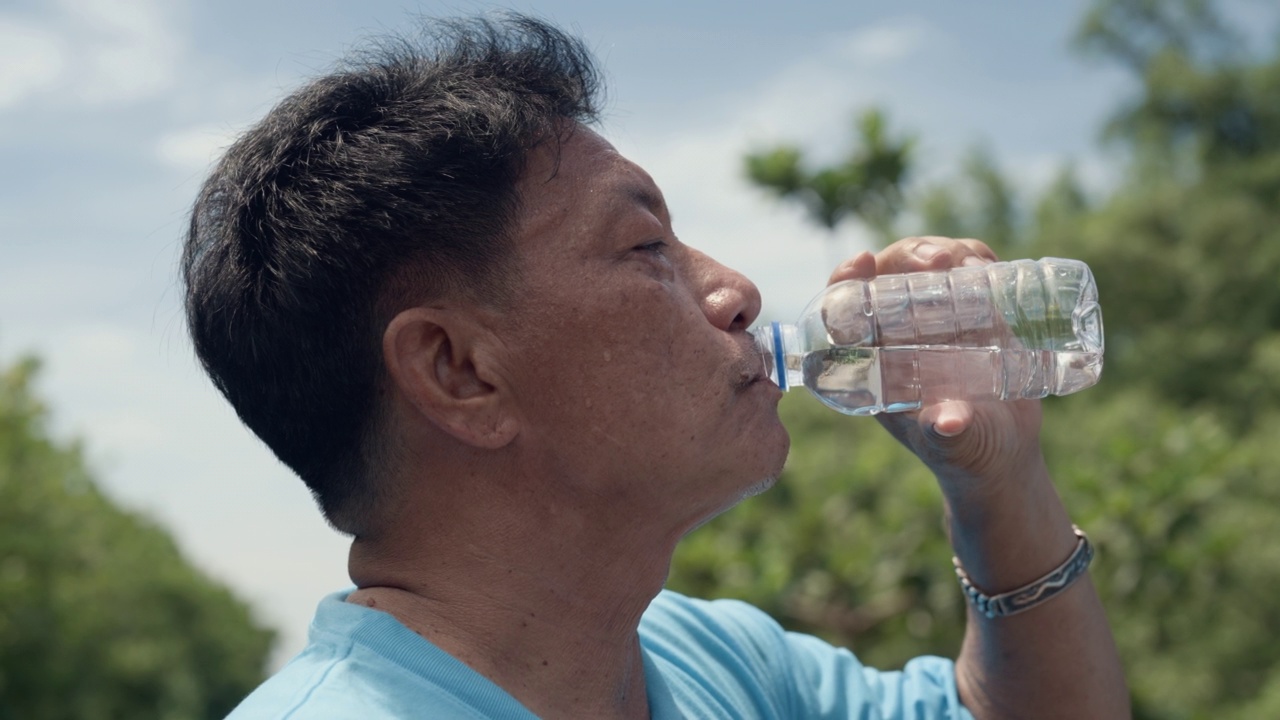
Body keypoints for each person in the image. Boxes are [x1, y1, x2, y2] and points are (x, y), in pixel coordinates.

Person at [183, 13, 1129, 720]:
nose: (737, 291)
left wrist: (1000, 485)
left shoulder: (713, 660)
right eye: (646, 249)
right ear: (459, 372)